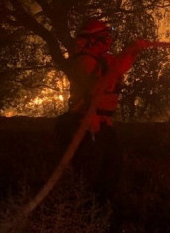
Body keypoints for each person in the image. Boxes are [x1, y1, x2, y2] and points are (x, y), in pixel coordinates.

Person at [54, 19, 148, 203]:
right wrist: (124, 59)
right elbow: (98, 86)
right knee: (89, 172)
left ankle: (100, 208)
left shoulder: (104, 59)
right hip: (86, 124)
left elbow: (120, 64)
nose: (109, 40)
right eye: (104, 37)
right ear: (92, 41)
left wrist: (133, 50)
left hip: (103, 124)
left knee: (112, 167)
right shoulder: (83, 61)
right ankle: (79, 208)